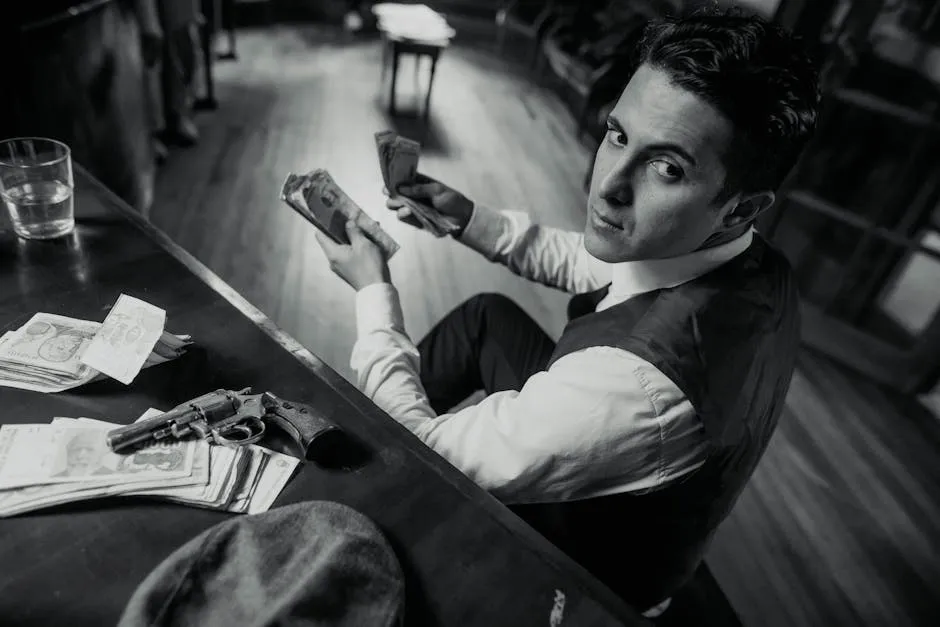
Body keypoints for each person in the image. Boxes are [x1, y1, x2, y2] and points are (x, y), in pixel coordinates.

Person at [314, 8, 819, 615]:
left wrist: (373, 290)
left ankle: (374, 466)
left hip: (584, 564)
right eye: (618, 134)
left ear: (740, 208)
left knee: (412, 450)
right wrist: (467, 216)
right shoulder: (749, 260)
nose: (608, 185)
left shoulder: (634, 389)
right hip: (641, 495)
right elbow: (591, 263)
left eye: (668, 168)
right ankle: (372, 440)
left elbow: (432, 449)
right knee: (487, 318)